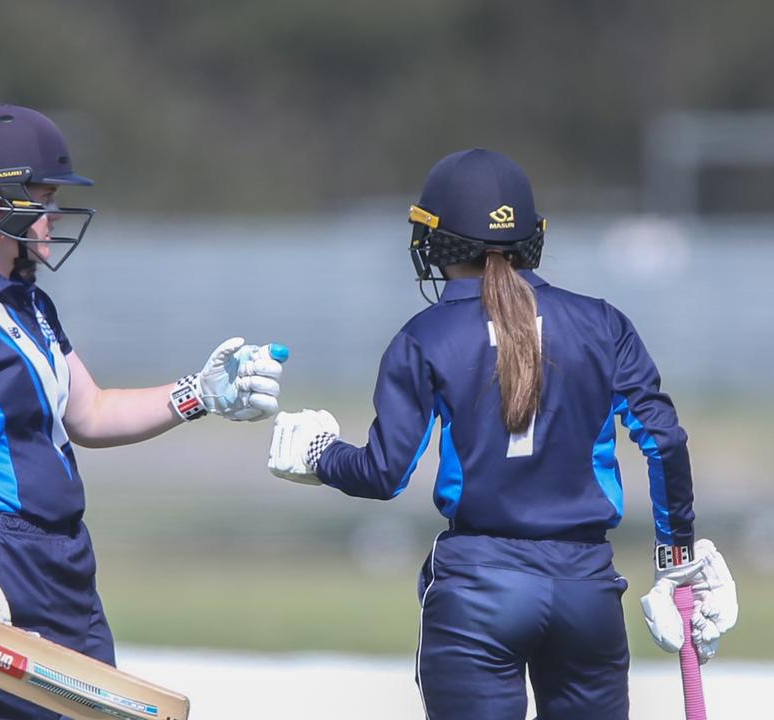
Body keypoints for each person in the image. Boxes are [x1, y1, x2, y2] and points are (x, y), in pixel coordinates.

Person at [267, 149, 737, 719]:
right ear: (531, 237)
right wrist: (676, 558)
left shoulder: (425, 337)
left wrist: (320, 455)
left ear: (437, 241)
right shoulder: (604, 323)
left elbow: (383, 474)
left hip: (478, 588)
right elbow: (664, 442)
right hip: (586, 587)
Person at [0, 104, 286, 720]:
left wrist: (198, 394)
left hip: (55, 558)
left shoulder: (26, 300)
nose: (54, 213)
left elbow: (89, 412)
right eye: (42, 195)